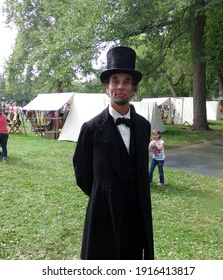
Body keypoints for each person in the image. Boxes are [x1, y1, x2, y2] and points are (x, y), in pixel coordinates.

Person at [73, 46, 154, 260]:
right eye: (114, 81)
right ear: (106, 88)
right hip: (104, 213)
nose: (120, 86)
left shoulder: (144, 126)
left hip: (136, 215)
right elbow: (82, 175)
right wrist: (104, 193)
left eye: (126, 81)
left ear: (133, 88)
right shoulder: (90, 129)